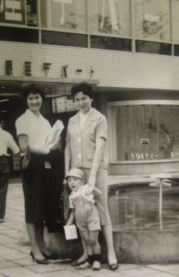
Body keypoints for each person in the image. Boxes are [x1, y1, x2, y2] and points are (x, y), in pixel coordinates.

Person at [65, 82, 118, 270]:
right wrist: (67, 173)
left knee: (101, 208)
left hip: (95, 169)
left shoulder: (100, 118)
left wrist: (93, 176)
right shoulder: (71, 120)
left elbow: (100, 148)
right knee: (80, 210)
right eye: (77, 99)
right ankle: (86, 253)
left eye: (84, 98)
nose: (80, 102)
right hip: (76, 172)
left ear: (91, 98)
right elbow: (68, 148)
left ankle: (111, 252)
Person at [15, 84, 61, 264]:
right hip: (31, 164)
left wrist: (54, 146)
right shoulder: (22, 120)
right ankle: (34, 249)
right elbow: (23, 147)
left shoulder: (45, 121)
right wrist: (46, 150)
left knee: (43, 205)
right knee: (33, 206)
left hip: (45, 164)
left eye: (37, 97)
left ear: (42, 98)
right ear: (26, 101)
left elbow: (49, 142)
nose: (34, 101)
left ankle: (42, 246)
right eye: (30, 98)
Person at [66, 168, 102, 270]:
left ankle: (97, 260)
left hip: (91, 217)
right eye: (69, 180)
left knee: (93, 240)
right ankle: (89, 260)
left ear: (82, 181)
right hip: (80, 220)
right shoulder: (71, 196)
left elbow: (99, 194)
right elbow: (73, 210)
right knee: (86, 240)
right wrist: (69, 222)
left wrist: (93, 189)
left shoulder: (85, 188)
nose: (72, 182)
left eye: (75, 179)